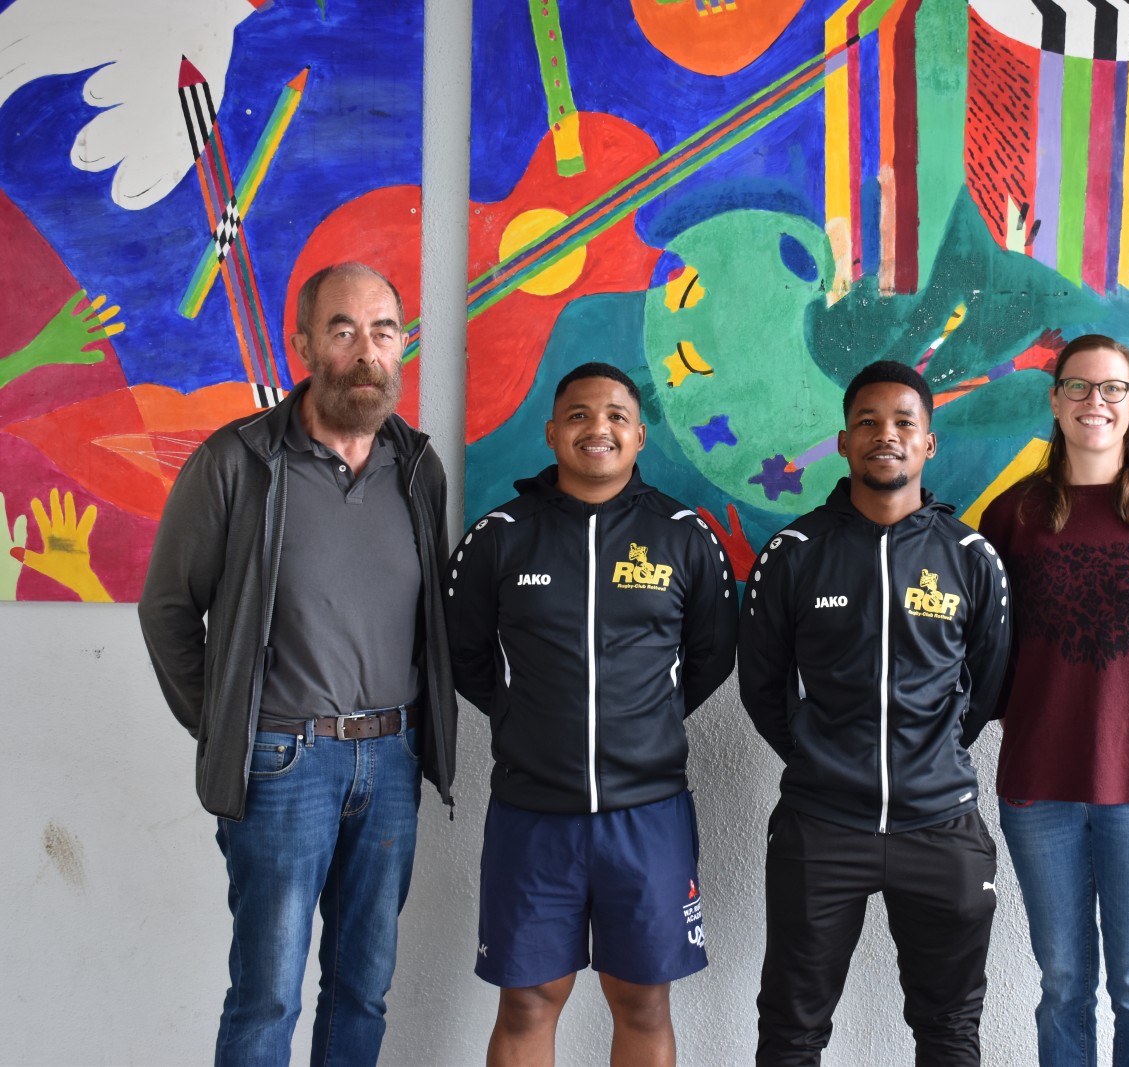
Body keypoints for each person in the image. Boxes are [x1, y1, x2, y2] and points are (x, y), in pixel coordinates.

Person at [138, 262, 459, 1066]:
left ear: (402, 346)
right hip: (283, 763)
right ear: (304, 346)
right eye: (344, 330)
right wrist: (228, 726)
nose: (366, 350)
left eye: (383, 330)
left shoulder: (418, 468)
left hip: (392, 761)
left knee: (363, 991)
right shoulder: (238, 461)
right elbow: (168, 609)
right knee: (268, 996)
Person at [445, 362, 737, 1067]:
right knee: (527, 1001)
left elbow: (711, 655)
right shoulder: (499, 535)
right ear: (551, 433)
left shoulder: (684, 535)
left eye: (615, 416)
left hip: (649, 814)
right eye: (578, 415)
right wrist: (524, 717)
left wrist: (645, 723)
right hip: (531, 813)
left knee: (642, 1001)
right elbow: (461, 654)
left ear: (639, 435)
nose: (597, 428)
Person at [738, 359, 1011, 1066]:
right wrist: (818, 756)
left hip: (941, 825)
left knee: (950, 1030)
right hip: (821, 825)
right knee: (791, 1030)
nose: (885, 434)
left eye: (903, 422)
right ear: (843, 441)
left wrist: (933, 755)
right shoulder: (794, 553)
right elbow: (762, 686)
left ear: (929, 443)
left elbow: (986, 686)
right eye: (867, 422)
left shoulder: (970, 557)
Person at [978, 334, 1129, 1067]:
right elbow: (991, 652)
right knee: (1063, 984)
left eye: (1113, 388)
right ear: (1054, 400)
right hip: (1040, 782)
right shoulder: (1012, 515)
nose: (1095, 402)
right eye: (1078, 386)